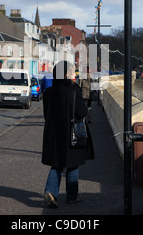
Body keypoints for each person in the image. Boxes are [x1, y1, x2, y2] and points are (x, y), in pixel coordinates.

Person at [41, 61, 94, 208]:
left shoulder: (49, 92)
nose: (75, 75)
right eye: (72, 72)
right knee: (72, 164)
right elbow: (82, 112)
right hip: (71, 132)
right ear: (65, 74)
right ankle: (72, 196)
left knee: (57, 164)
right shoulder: (73, 91)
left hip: (53, 133)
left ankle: (51, 192)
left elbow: (47, 114)